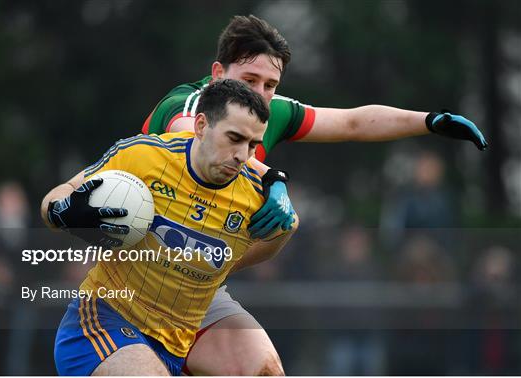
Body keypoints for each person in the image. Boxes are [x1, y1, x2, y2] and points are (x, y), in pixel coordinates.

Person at [142, 14, 489, 376]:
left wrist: (428, 121)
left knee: (265, 370)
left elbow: (352, 123)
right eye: (249, 80)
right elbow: (196, 142)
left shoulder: (268, 111)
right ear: (217, 73)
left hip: (196, 285)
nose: (259, 94)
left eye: (270, 84)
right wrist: (271, 178)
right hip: (137, 284)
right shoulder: (191, 105)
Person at [41, 79, 297, 375]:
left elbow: (286, 228)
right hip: (103, 322)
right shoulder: (143, 156)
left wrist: (223, 268)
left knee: (267, 372)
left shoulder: (253, 195)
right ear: (201, 125)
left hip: (179, 339)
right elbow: (57, 197)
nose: (242, 155)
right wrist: (63, 212)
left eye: (253, 145)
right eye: (234, 138)